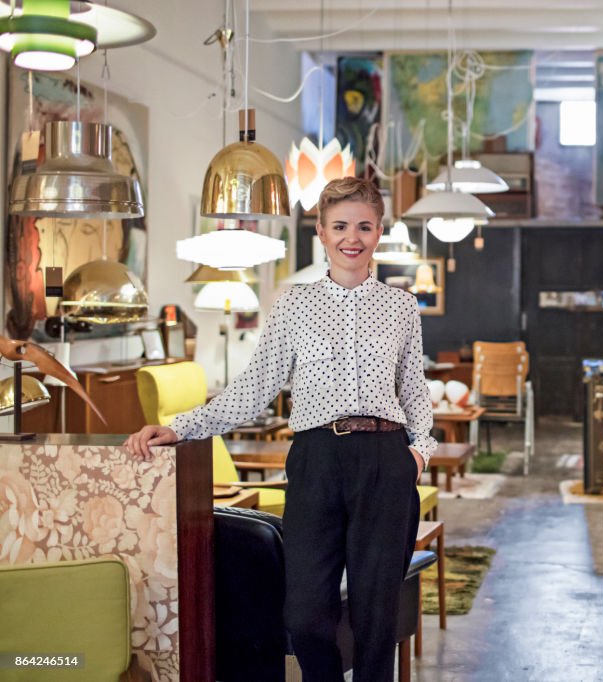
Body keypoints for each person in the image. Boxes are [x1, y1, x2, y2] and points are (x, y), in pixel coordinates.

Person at [124, 177, 437, 681]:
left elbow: (413, 389)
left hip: (386, 459)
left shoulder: (401, 306)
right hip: (316, 459)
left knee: (376, 617)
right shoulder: (294, 305)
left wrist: (420, 452)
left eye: (363, 226)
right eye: (339, 226)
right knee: (306, 615)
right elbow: (255, 387)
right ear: (321, 231)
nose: (351, 237)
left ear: (380, 231)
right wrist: (179, 427)